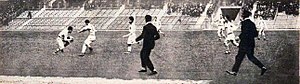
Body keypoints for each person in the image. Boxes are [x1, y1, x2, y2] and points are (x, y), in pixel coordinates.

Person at [226, 10, 267, 76]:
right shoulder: (252, 23)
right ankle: (262, 67)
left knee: (239, 57)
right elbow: (255, 34)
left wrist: (239, 37)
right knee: (251, 57)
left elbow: (244, 33)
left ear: (244, 16)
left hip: (244, 44)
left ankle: (234, 71)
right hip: (251, 43)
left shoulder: (244, 23)